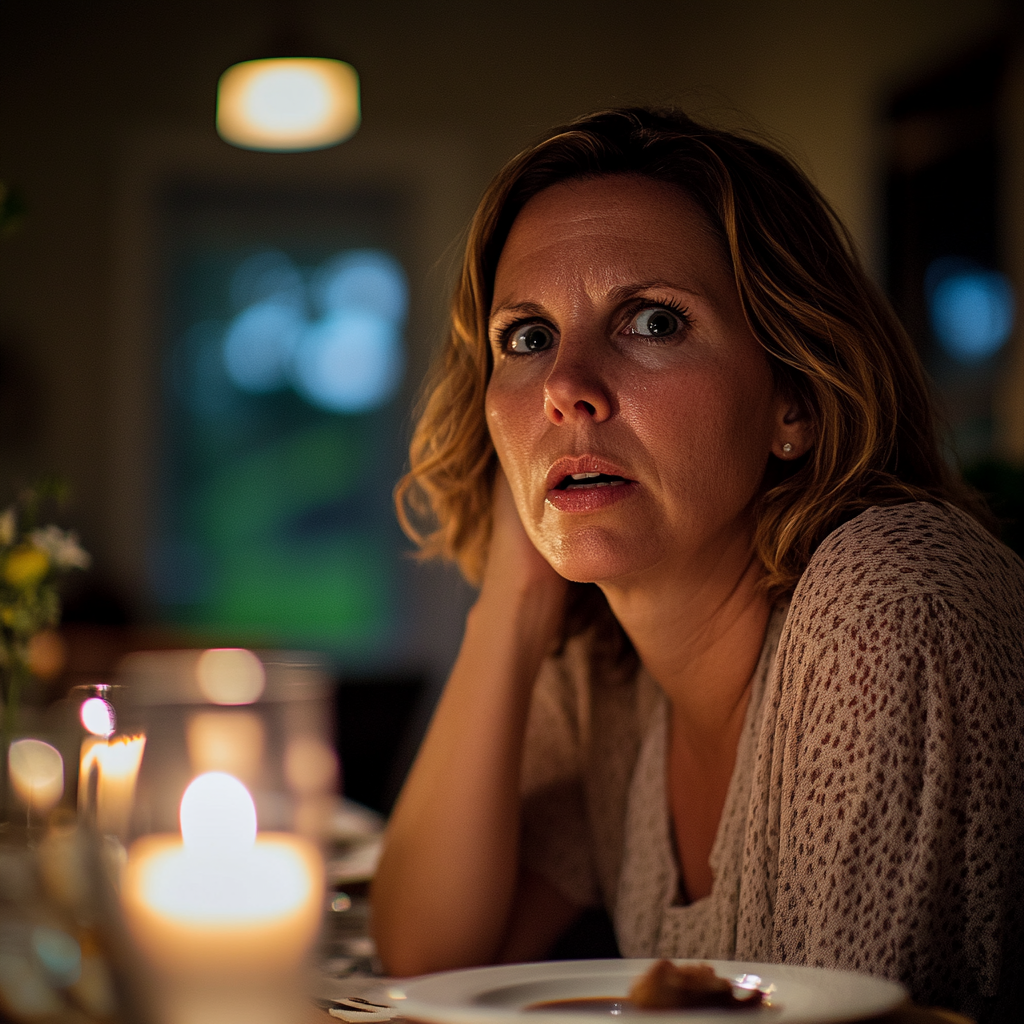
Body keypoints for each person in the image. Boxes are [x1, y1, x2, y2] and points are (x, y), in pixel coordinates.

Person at [370, 108, 1024, 1021]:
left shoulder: (891, 602)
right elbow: (427, 958)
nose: (564, 387)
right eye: (526, 338)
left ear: (793, 398)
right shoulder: (604, 666)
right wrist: (514, 600)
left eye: (652, 321)